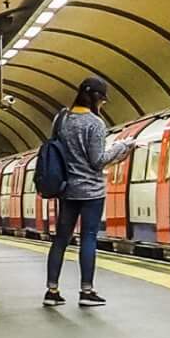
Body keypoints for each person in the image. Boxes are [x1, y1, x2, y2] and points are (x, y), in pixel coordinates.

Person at [44, 77, 133, 307]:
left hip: (67, 190)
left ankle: (52, 291)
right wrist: (123, 147)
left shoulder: (63, 120)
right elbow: (97, 161)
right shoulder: (95, 124)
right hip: (91, 192)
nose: (102, 105)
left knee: (61, 240)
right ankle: (87, 291)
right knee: (88, 238)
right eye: (102, 101)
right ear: (96, 98)